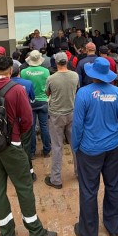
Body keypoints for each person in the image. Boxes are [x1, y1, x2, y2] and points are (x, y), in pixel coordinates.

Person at [0, 56, 57, 236]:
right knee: (24, 187)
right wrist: (17, 136)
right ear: (11, 70)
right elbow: (28, 120)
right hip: (12, 144)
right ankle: (35, 232)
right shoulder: (17, 90)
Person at [72, 57, 118, 236]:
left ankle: (89, 233)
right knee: (115, 186)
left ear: (92, 74)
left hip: (89, 149)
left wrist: (75, 146)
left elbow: (77, 125)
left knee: (88, 190)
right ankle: (114, 227)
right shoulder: (117, 93)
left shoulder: (83, 93)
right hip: (112, 147)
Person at [44, 52, 79, 189]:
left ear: (56, 63)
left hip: (56, 114)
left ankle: (56, 179)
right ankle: (80, 173)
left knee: (57, 146)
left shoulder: (51, 78)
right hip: (71, 112)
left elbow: (47, 93)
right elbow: (76, 89)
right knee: (75, 144)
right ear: (67, 61)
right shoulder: (75, 75)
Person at [21, 50, 51, 158]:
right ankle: (47, 150)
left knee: (32, 127)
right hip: (43, 100)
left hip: (30, 101)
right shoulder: (46, 71)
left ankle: (32, 152)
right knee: (44, 126)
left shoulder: (24, 72)